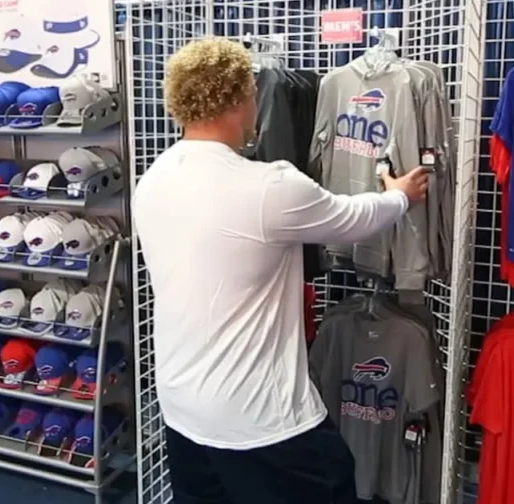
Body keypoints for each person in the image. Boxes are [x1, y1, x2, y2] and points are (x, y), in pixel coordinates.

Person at [132, 37, 430, 504]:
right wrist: (401, 196)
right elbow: (352, 219)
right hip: (263, 421)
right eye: (251, 94)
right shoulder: (270, 185)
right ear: (237, 101)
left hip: (181, 408)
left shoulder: (153, 179)